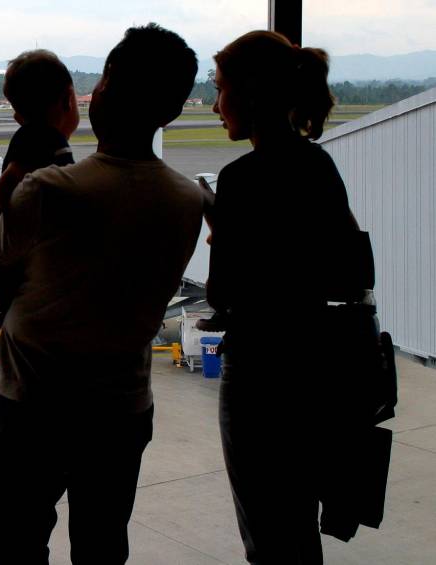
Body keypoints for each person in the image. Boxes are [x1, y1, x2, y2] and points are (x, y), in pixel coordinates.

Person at [0, 23, 202, 565]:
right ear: (174, 112)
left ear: (99, 93)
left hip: (33, 409)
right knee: (102, 548)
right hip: (121, 412)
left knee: (14, 549)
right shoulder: (189, 202)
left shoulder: (48, 190)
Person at [207, 31, 359, 564]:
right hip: (316, 376)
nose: (215, 103)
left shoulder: (241, 179)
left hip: (260, 379)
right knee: (296, 533)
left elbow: (224, 294)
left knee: (268, 538)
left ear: (248, 95)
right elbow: (349, 274)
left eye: (221, 88)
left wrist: (224, 234)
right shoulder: (318, 166)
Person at [0, 49, 80, 386]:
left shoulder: (33, 134)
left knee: (0, 303)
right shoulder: (42, 137)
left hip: (24, 234)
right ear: (67, 99)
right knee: (3, 301)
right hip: (24, 231)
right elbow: (14, 173)